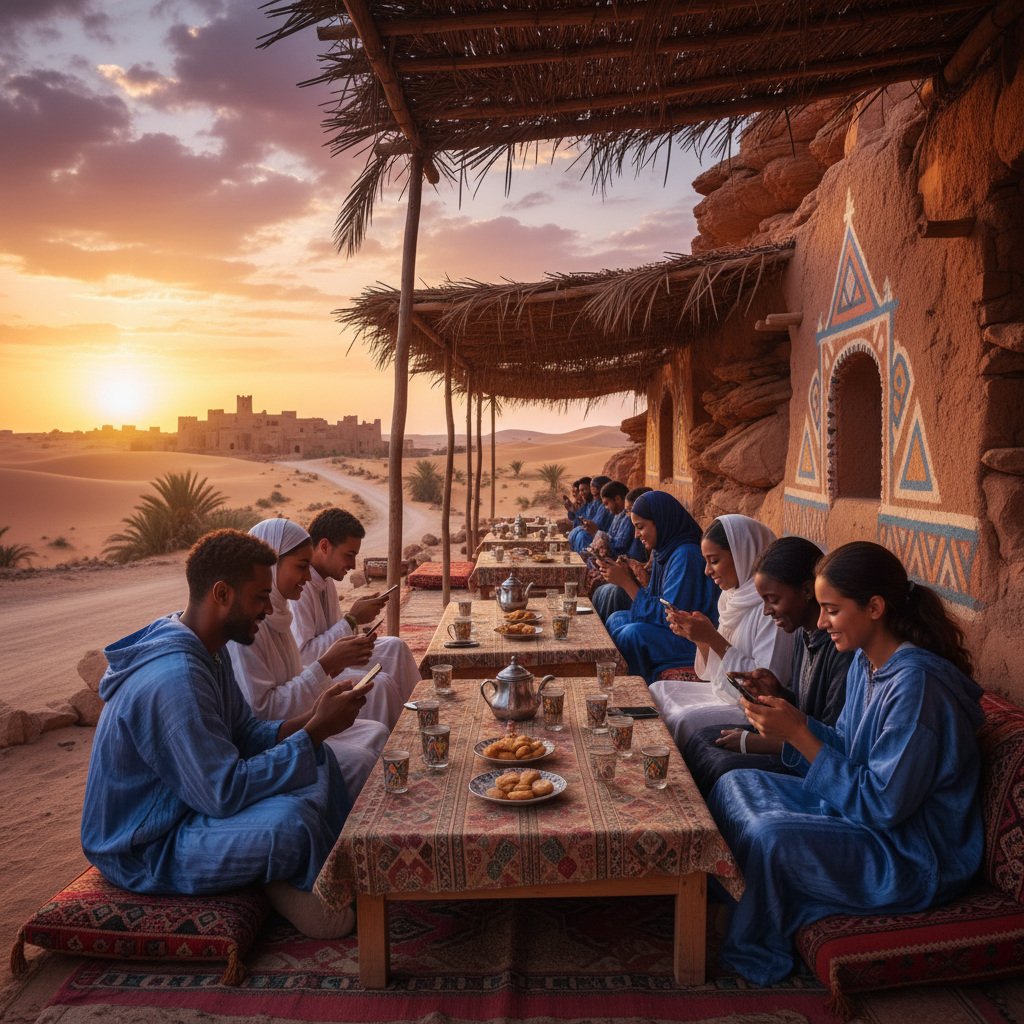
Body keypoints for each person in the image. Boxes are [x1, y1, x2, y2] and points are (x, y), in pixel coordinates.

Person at [709, 541, 984, 986]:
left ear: (874, 607)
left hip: (911, 851)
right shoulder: (865, 662)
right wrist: (794, 721)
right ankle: (743, 906)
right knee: (734, 786)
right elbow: (846, 744)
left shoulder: (917, 688)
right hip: (862, 815)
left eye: (831, 610)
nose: (819, 623)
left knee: (771, 836)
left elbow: (884, 804)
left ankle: (757, 936)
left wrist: (798, 734)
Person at [81, 529, 364, 938]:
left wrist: (314, 720)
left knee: (319, 759)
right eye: (259, 597)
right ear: (221, 594)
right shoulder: (176, 679)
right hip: (147, 846)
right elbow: (222, 791)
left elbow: (244, 732)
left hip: (188, 805)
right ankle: (309, 892)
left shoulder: (206, 651)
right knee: (293, 821)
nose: (268, 610)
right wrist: (316, 730)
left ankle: (329, 877)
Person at [228, 519, 390, 797]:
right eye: (301, 567)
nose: (307, 576)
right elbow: (263, 714)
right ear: (270, 566)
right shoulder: (246, 626)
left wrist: (331, 671)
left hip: (302, 714)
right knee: (362, 757)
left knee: (375, 731)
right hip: (280, 739)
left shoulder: (279, 612)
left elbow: (293, 670)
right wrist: (327, 665)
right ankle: (354, 835)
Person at [682, 536, 853, 799]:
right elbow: (804, 709)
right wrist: (780, 694)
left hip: (817, 761)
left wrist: (754, 742)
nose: (765, 611)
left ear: (808, 591)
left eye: (772, 600)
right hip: (798, 742)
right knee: (700, 739)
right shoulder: (802, 634)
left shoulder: (843, 649)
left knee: (722, 767)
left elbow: (831, 741)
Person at [651, 514, 795, 749]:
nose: (707, 571)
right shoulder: (731, 597)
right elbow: (711, 674)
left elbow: (766, 686)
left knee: (683, 719)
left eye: (714, 560)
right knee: (656, 691)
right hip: (724, 692)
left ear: (742, 555)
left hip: (750, 708)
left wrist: (712, 638)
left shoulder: (773, 608)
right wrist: (700, 639)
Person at [290, 507, 418, 730]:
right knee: (381, 684)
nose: (353, 565)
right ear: (324, 546)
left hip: (334, 663)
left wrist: (358, 635)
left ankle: (417, 716)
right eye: (349, 555)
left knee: (395, 646)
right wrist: (352, 620)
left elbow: (334, 635)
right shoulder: (299, 588)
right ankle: (398, 737)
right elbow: (306, 656)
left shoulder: (326, 581)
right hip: (315, 675)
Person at [598, 491, 719, 685]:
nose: (636, 535)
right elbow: (656, 598)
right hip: (673, 630)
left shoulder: (686, 555)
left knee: (632, 635)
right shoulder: (665, 550)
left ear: (660, 522)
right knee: (616, 618)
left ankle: (638, 694)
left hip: (693, 641)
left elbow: (671, 615)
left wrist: (627, 583)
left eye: (640, 527)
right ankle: (619, 683)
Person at [567, 475, 613, 551]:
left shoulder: (604, 506)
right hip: (592, 534)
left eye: (585, 489)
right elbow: (577, 520)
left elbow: (595, 525)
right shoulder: (588, 504)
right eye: (581, 490)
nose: (582, 493)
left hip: (599, 537)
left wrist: (582, 525)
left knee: (582, 535)